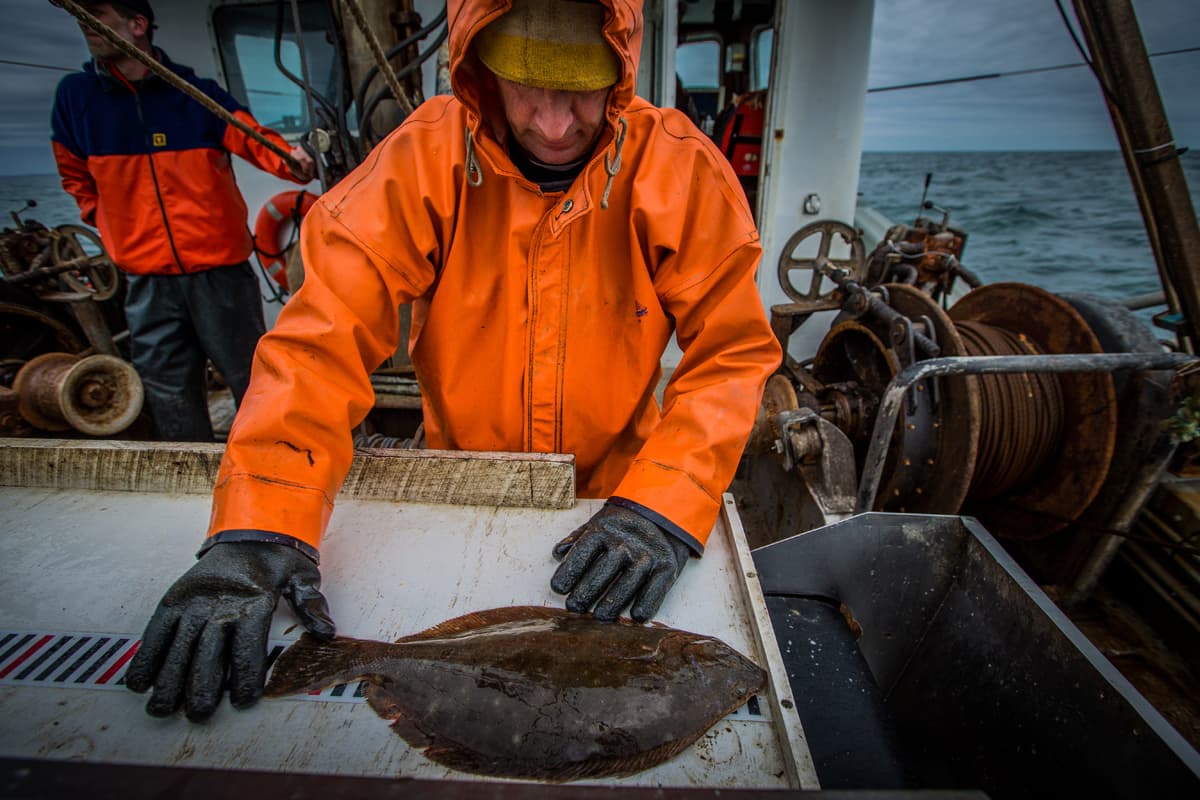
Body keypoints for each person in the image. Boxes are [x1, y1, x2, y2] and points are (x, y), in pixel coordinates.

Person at [124, 0, 781, 721]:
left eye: (580, 91)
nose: (554, 124)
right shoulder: (424, 156)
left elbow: (731, 352)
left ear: (620, 77)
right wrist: (260, 523)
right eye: (528, 88)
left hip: (620, 504)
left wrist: (664, 504)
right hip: (458, 493)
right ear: (480, 73)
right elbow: (320, 338)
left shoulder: (678, 168)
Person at [50, 0, 316, 441]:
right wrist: (108, 224)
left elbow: (253, 138)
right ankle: (193, 484)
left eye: (97, 15)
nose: (85, 25)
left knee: (253, 381)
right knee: (168, 392)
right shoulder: (76, 99)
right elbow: (73, 173)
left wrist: (295, 165)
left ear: (136, 25)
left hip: (220, 272)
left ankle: (271, 469)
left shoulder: (195, 94)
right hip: (146, 278)